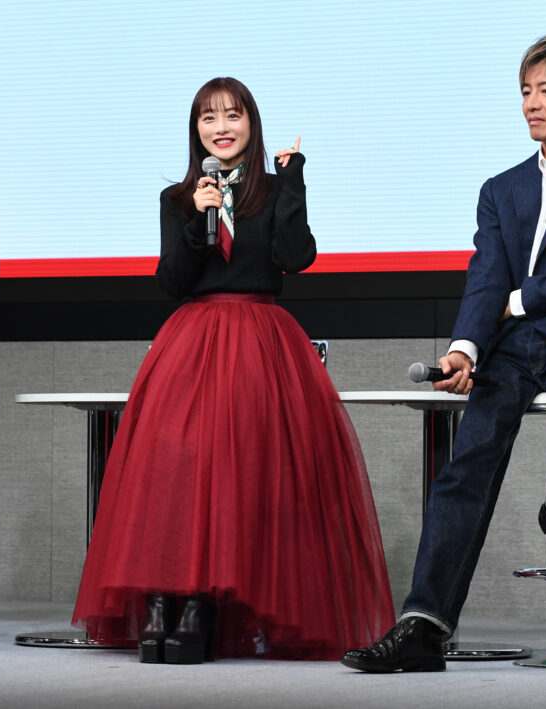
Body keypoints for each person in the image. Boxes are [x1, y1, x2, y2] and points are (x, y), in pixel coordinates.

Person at [342, 35, 546, 673]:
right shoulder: (501, 188)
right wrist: (465, 347)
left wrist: (519, 300)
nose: (531, 104)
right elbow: (486, 275)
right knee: (465, 468)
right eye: (525, 91)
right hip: (513, 350)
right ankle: (423, 626)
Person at [72, 77, 395, 663]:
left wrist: (293, 183)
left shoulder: (272, 190)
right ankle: (161, 604)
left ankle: (203, 610)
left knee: (239, 473)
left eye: (232, 115)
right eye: (208, 118)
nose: (221, 128)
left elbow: (296, 257)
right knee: (173, 471)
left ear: (252, 123)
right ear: (195, 130)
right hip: (191, 340)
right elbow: (172, 281)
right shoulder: (178, 196)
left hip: (259, 341)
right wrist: (196, 222)